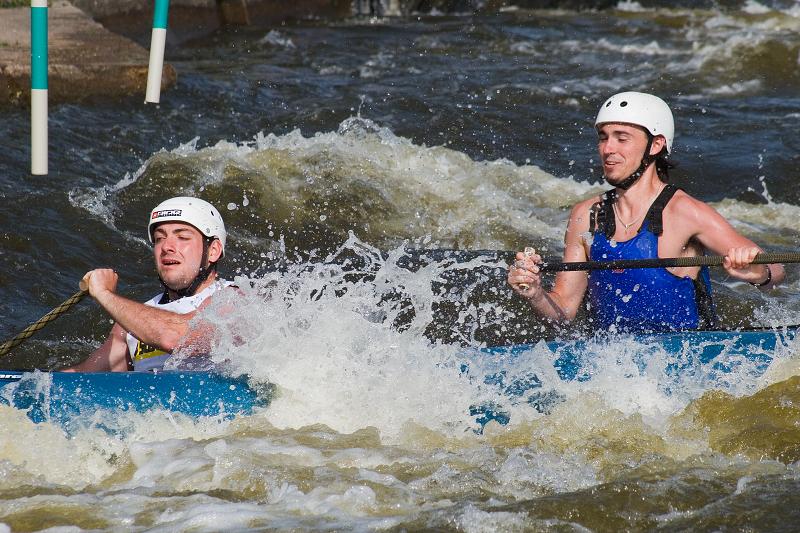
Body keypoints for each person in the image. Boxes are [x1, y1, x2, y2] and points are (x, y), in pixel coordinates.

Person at [507, 91, 785, 333]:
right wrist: (535, 294)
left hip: (687, 360)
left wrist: (757, 272)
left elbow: (776, 268)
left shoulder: (686, 212)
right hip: (613, 365)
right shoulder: (585, 215)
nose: (608, 149)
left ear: (656, 145)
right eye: (603, 138)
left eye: (621, 138)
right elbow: (564, 312)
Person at [65, 196, 233, 372]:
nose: (167, 246)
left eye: (182, 237)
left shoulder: (233, 301)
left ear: (213, 251)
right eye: (159, 238)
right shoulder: (132, 323)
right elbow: (84, 379)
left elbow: (176, 338)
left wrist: (104, 294)